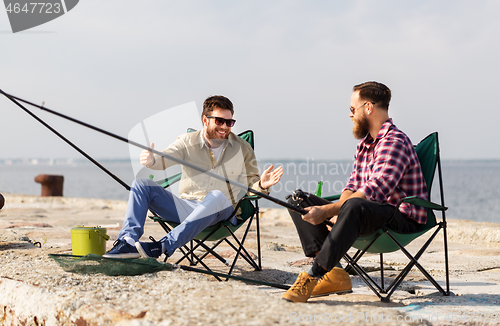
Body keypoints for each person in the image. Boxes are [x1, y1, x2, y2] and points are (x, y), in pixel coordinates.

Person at [282, 81, 428, 303]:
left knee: (355, 205)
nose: (350, 115)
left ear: (368, 108)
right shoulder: (365, 144)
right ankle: (335, 275)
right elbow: (352, 186)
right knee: (298, 200)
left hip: (400, 217)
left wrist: (330, 211)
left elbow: (375, 191)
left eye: (352, 109)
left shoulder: (394, 141)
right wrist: (335, 213)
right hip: (368, 213)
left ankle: (314, 274)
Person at [104, 95, 283, 259]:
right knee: (141, 184)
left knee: (217, 196)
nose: (225, 127)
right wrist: (152, 160)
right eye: (220, 121)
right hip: (188, 207)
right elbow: (165, 158)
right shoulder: (187, 141)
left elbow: (252, 187)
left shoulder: (243, 148)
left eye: (230, 122)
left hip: (223, 212)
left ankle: (162, 246)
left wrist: (262, 184)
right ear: (205, 120)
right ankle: (126, 242)